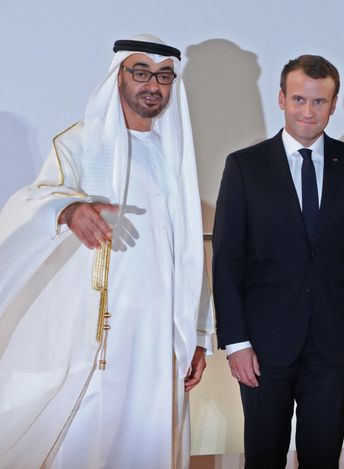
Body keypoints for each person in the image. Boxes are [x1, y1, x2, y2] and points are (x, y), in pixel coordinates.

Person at [0, 34, 213, 469]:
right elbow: (34, 198)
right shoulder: (80, 143)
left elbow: (191, 249)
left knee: (149, 438)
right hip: (95, 333)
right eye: (141, 72)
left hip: (159, 336)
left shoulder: (173, 154)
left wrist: (196, 333)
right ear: (118, 76)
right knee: (86, 438)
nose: (153, 84)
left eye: (165, 76)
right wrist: (70, 209)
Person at [212, 54, 344, 469]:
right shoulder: (244, 166)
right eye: (299, 99)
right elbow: (227, 260)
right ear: (281, 99)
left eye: (319, 102)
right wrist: (236, 342)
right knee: (263, 458)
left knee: (322, 458)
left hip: (334, 344)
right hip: (263, 346)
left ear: (334, 105)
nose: (308, 111)